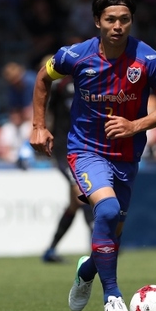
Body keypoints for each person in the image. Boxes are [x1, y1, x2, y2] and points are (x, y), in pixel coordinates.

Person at [30, 0, 156, 311]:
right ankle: (112, 296)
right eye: (111, 19)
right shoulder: (75, 56)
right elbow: (43, 78)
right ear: (98, 21)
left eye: (124, 19)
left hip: (126, 155)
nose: (117, 26)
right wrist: (39, 125)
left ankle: (87, 270)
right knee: (108, 210)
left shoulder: (149, 60)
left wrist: (135, 125)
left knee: (113, 232)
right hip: (85, 149)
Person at [40, 71, 94, 263]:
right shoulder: (60, 87)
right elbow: (46, 109)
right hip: (63, 149)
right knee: (83, 193)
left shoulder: (90, 82)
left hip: (82, 148)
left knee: (74, 203)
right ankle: (99, 246)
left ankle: (50, 250)